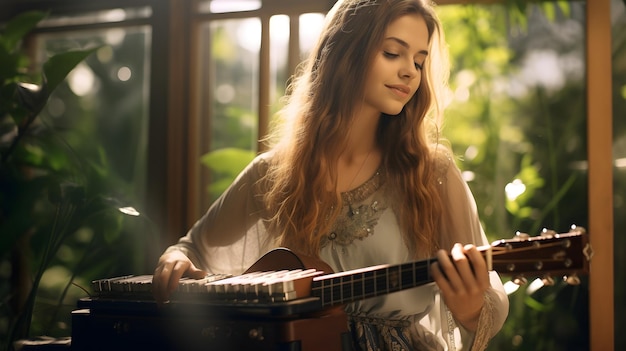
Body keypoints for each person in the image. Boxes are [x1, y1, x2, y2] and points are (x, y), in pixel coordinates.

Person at [152, 0, 509, 349]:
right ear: (346, 53)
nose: (410, 72)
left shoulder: (433, 173)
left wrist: (473, 307)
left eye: (419, 60)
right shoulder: (274, 172)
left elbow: (490, 296)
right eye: (392, 53)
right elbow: (194, 248)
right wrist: (175, 259)